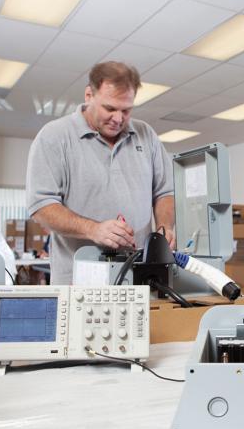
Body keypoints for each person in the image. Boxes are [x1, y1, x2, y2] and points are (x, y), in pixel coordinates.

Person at [26, 61, 175, 284]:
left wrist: (165, 227)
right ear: (89, 95)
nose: (118, 119)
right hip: (78, 280)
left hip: (139, 277)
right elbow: (41, 206)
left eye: (126, 110)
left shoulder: (146, 135)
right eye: (110, 108)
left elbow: (165, 192)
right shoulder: (54, 137)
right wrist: (93, 229)